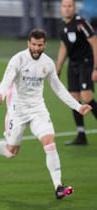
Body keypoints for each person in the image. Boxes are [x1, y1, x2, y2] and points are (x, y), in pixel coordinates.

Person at [0, 28, 92, 200]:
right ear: (28, 43)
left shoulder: (48, 64)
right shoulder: (18, 59)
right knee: (11, 152)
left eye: (40, 45)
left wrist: (77, 106)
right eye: (33, 44)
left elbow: (58, 88)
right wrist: (0, 94)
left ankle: (58, 186)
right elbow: (6, 79)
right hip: (18, 110)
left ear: (45, 44)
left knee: (49, 141)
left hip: (38, 109)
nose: (36, 48)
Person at [56, 0, 97, 145]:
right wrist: (58, 67)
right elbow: (64, 47)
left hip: (86, 63)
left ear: (74, 8)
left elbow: (94, 43)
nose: (67, 9)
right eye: (64, 6)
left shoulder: (81, 23)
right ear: (61, 8)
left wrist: (96, 68)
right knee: (73, 99)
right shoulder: (62, 26)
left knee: (86, 97)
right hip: (72, 65)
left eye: (70, 6)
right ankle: (81, 135)